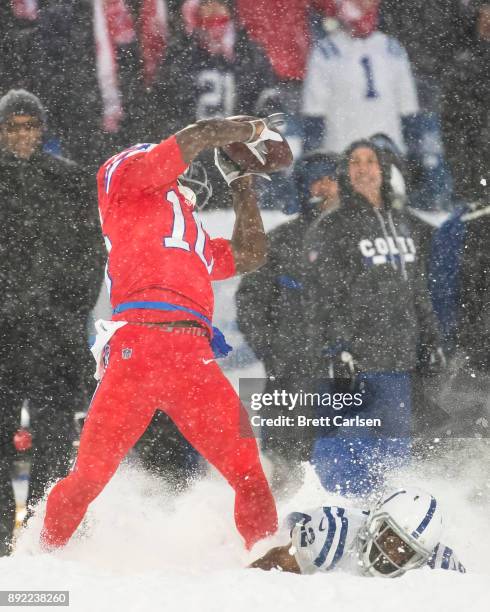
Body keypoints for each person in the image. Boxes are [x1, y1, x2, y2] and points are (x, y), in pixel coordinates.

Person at [40, 114, 285, 552]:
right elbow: (200, 135)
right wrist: (253, 129)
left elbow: (251, 253)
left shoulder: (190, 234)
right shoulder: (126, 178)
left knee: (248, 470)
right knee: (90, 476)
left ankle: (267, 564)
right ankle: (38, 559)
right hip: (140, 342)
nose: (191, 185)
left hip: (192, 355)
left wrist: (241, 181)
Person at [303, 139, 443, 496]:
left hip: (397, 361)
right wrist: (335, 349)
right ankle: (331, 525)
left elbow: (417, 290)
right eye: (354, 162)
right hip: (353, 364)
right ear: (345, 173)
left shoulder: (402, 223)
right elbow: (321, 296)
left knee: (392, 460)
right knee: (339, 456)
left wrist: (431, 341)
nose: (363, 168)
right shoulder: (333, 226)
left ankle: (384, 531)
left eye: (370, 161)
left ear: (383, 169)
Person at [0, 89, 104, 539]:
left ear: (42, 130)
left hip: (54, 335)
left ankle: (50, 537)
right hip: (5, 334)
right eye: (13, 126)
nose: (23, 135)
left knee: (57, 444)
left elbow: (91, 256)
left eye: (30, 126)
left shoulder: (71, 180)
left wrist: (66, 310)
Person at [236, 152, 339, 491]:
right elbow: (250, 300)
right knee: (283, 484)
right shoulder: (280, 240)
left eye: (331, 178)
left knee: (346, 478)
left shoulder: (356, 236)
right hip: (290, 384)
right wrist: (274, 350)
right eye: (316, 179)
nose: (323, 187)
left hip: (348, 384)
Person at [250, 487, 466, 576]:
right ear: (374, 523)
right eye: (390, 537)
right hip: (302, 523)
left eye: (406, 550)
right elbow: (269, 569)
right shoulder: (332, 536)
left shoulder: (440, 568)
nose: (391, 553)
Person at [302, 0, 418, 157]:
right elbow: (314, 111)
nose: (363, 9)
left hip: (387, 151)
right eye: (357, 4)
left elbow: (408, 107)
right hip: (342, 152)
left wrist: (413, 151)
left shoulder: (391, 47)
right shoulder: (326, 51)